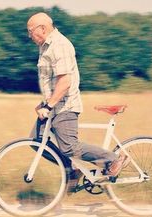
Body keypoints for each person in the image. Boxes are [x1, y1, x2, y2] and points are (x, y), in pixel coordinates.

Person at [27, 12, 130, 193]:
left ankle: (113, 159)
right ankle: (72, 169)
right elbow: (51, 81)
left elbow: (64, 82)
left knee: (69, 147)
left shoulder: (60, 45)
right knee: (36, 139)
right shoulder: (45, 46)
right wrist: (45, 103)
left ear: (42, 29)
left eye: (30, 31)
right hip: (53, 106)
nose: (29, 36)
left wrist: (49, 105)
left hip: (65, 106)